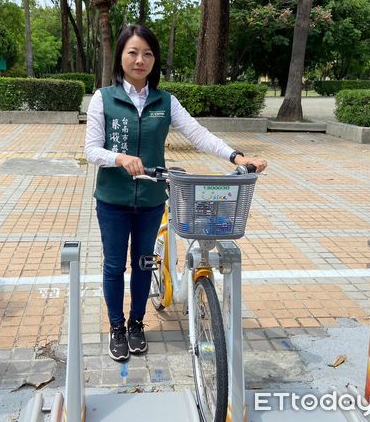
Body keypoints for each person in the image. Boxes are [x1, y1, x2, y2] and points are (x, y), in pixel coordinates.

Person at [85, 25, 268, 361]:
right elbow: (91, 151)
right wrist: (119, 158)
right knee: (114, 265)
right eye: (133, 52)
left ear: (154, 60)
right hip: (112, 200)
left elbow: (199, 135)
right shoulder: (104, 98)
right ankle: (116, 327)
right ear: (121, 57)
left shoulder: (164, 101)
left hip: (152, 200)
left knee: (143, 263)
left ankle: (136, 323)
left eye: (148, 54)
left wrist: (237, 157)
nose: (140, 60)